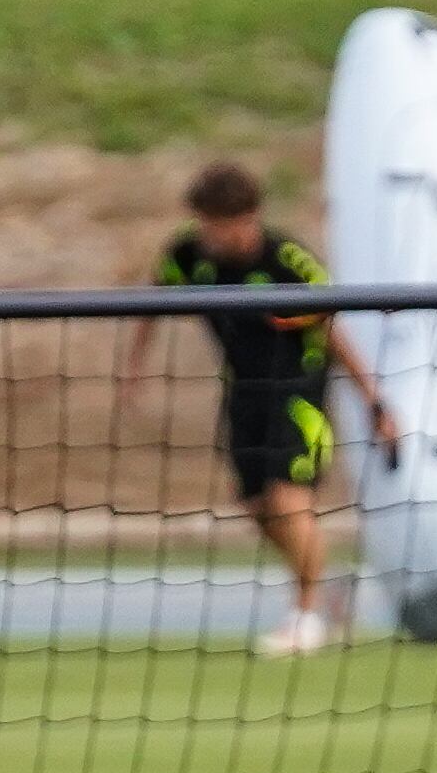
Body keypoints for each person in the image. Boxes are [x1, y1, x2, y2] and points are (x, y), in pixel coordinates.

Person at [117, 161, 399, 658]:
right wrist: (135, 366)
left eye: (217, 222)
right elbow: (152, 299)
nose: (208, 233)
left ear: (248, 217)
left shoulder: (288, 262)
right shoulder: (187, 255)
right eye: (203, 221)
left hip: (296, 395)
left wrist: (373, 399)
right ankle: (328, 585)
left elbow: (334, 331)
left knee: (288, 500)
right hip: (242, 392)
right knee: (256, 507)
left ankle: (306, 618)